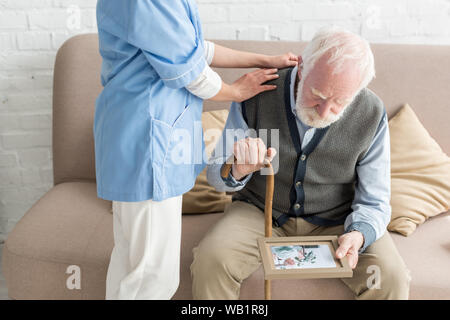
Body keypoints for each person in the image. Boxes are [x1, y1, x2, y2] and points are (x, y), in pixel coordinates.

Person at [93, 0, 298, 300]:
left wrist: (264, 60)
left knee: (131, 263)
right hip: (148, 141)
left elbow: (193, 49)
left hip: (138, 136)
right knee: (151, 276)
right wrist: (236, 91)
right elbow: (191, 72)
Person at [191, 26, 412, 300]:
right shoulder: (257, 92)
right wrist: (238, 169)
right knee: (212, 261)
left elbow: (375, 200)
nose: (324, 111)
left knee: (390, 277)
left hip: (338, 220)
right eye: (317, 94)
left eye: (339, 103)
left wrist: (359, 235)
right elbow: (215, 176)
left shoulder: (371, 112)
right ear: (303, 65)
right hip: (260, 213)